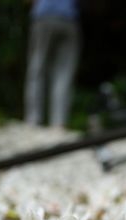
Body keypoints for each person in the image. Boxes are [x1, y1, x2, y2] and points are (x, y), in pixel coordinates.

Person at [24, 0, 81, 129]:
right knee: (64, 74)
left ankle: (33, 120)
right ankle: (59, 122)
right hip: (69, 18)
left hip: (44, 16)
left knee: (37, 68)